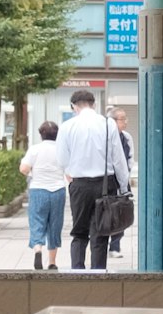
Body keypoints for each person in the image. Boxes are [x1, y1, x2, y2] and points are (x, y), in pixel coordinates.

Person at [54, 89, 129, 270]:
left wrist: (70, 170)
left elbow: (62, 160)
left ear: (74, 106)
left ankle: (77, 272)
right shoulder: (108, 124)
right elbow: (118, 158)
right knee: (101, 232)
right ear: (94, 104)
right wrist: (124, 186)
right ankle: (98, 274)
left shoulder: (67, 126)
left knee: (79, 232)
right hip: (105, 184)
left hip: (79, 185)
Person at [20, 120, 67, 271]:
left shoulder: (34, 149)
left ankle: (38, 249)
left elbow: (24, 169)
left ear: (41, 134)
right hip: (58, 190)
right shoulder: (62, 150)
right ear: (57, 135)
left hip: (38, 189)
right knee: (55, 224)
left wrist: (33, 171)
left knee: (37, 221)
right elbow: (69, 171)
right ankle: (52, 262)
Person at [107, 108, 134, 258]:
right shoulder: (106, 137)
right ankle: (104, 243)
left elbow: (130, 158)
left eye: (125, 118)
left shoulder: (127, 137)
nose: (125, 122)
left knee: (122, 212)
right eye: (122, 119)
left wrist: (124, 176)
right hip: (108, 180)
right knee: (106, 212)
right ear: (113, 121)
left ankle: (115, 246)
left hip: (122, 180)